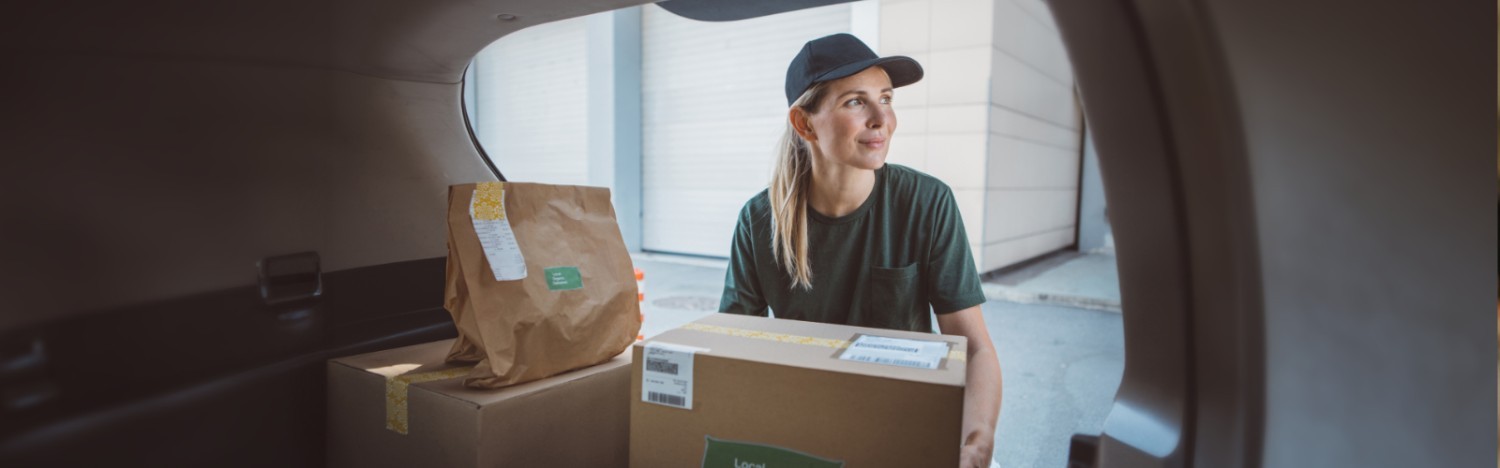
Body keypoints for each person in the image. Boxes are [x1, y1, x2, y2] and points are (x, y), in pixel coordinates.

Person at [718, 33, 1002, 468]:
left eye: (885, 98)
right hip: (805, 428)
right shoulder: (759, 221)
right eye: (855, 101)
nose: (881, 118)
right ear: (805, 124)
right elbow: (734, 352)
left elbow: (975, 349)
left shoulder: (926, 203)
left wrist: (976, 445)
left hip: (908, 425)